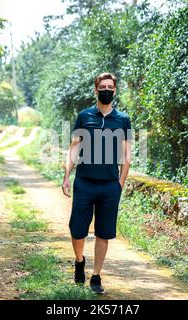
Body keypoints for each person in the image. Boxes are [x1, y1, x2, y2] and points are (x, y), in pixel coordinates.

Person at [62, 72, 132, 294]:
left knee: (104, 232)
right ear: (96, 90)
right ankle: (79, 260)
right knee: (77, 230)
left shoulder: (123, 120)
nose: (107, 90)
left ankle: (96, 276)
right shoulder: (85, 116)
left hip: (109, 186)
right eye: (103, 86)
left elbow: (126, 156)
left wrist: (119, 184)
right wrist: (66, 175)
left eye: (110, 86)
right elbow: (74, 148)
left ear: (115, 90)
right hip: (84, 182)